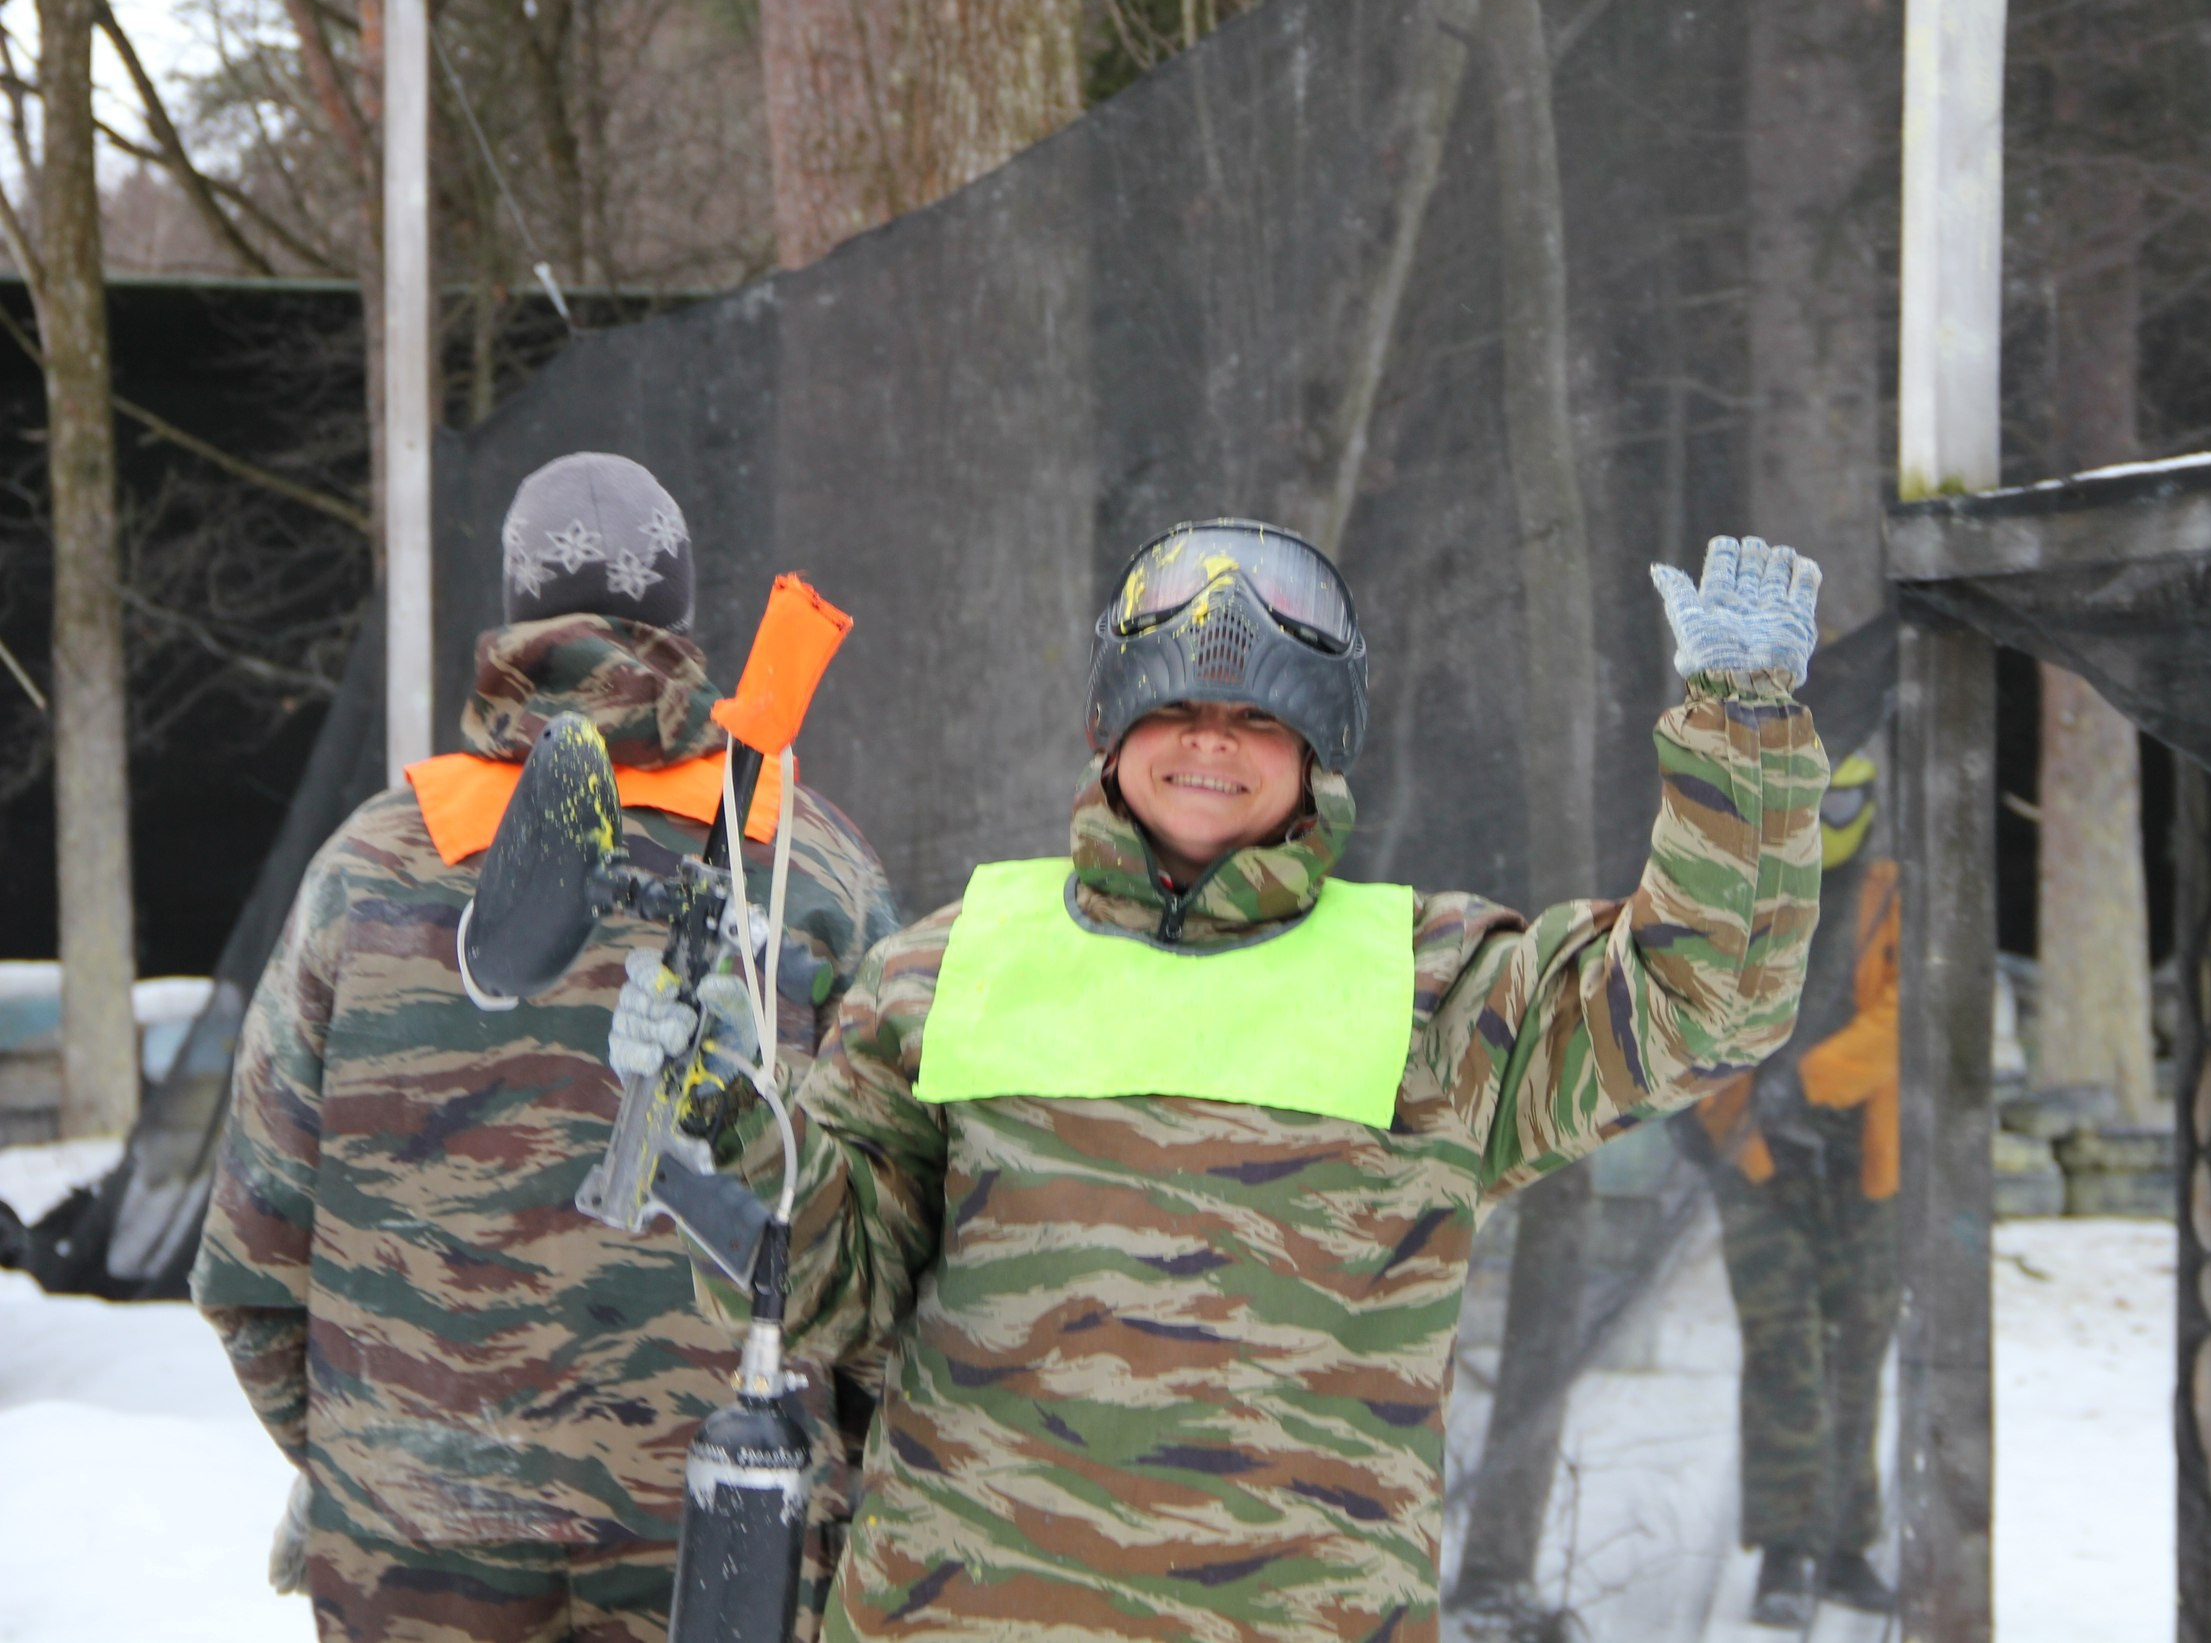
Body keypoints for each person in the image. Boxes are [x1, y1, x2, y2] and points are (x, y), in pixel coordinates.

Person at [610, 521, 1829, 1642]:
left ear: (1316, 748)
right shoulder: (946, 970)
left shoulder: (1436, 991)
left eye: (1254, 721)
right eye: (1177, 708)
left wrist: (1744, 736)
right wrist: (724, 1123)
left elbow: (1702, 1003)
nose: (1209, 742)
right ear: (1109, 728)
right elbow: (828, 1287)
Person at [192, 453, 902, 1643]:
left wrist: (371, 1466)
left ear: (513, 615)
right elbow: (889, 1249)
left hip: (415, 1547)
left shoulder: (368, 866)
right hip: (730, 1540)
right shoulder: (812, 866)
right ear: (679, 615)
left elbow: (250, 1269)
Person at [1679, 749, 1901, 1626]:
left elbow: (1903, 1017)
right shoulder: (1744, 899)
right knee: (1782, 1350)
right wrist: (1740, 1110)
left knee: (1858, 1349)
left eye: (1842, 796)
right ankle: (1784, 1548)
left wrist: (1808, 1081)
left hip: (1863, 1172)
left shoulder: (1891, 896)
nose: (1826, 812)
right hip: (1761, 1166)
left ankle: (1844, 1542)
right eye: (1813, 797)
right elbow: (1696, 1006)